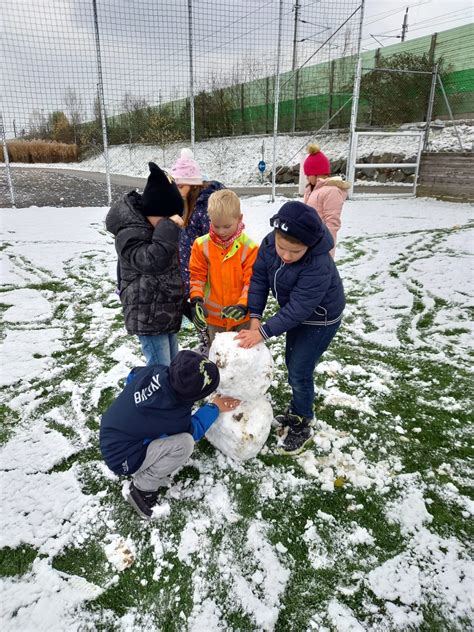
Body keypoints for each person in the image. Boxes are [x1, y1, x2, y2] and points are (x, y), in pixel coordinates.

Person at [236, 201, 345, 455]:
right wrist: (255, 316)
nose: (285, 255)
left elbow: (298, 308)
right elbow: (260, 278)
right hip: (298, 314)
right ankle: (298, 407)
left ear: (308, 246)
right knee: (292, 362)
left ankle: (302, 420)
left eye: (294, 252)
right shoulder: (268, 244)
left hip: (320, 318)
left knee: (299, 368)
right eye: (281, 247)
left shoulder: (318, 264)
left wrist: (262, 333)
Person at [100, 350, 240, 520]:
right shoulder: (174, 416)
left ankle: (141, 445)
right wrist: (214, 407)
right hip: (121, 458)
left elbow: (132, 376)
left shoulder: (155, 371)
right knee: (185, 443)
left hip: (111, 432)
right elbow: (193, 430)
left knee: (160, 431)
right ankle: (142, 487)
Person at [106, 162, 185, 367]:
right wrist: (168, 226)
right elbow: (152, 261)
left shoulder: (154, 228)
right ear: (154, 210)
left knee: (173, 366)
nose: (171, 222)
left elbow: (168, 273)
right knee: (160, 370)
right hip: (147, 316)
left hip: (163, 313)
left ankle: (173, 398)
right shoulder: (129, 233)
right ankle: (159, 399)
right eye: (167, 217)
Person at [188, 189, 259, 345]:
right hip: (214, 318)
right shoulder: (201, 245)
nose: (221, 232)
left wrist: (243, 305)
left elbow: (251, 282)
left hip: (242, 317)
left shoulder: (250, 248)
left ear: (239, 219)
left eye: (227, 226)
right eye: (216, 225)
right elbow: (197, 276)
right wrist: (196, 300)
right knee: (219, 359)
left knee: (243, 358)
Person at [170, 148, 225, 297]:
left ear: (193, 184)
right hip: (190, 279)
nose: (177, 190)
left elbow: (215, 246)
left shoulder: (207, 207)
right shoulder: (188, 202)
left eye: (181, 186)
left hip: (204, 283)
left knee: (203, 318)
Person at [302, 143, 350, 258]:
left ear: (317, 173)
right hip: (308, 242)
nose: (307, 177)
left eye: (308, 174)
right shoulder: (310, 190)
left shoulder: (331, 191)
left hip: (321, 247)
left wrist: (327, 252)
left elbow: (332, 224)